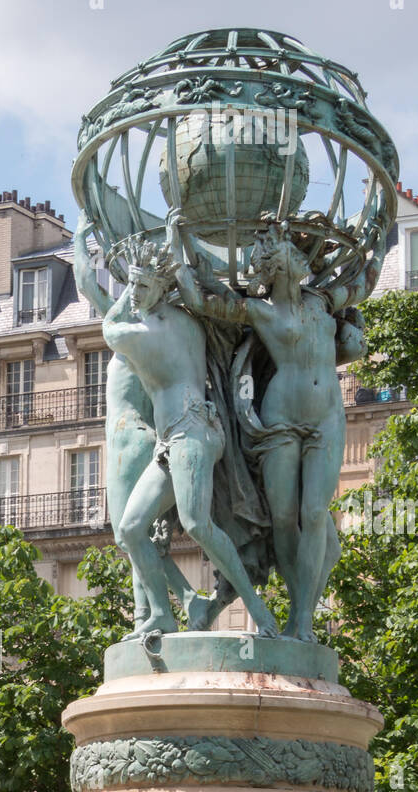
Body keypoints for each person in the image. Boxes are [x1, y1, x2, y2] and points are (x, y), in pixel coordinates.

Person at [169, 211, 382, 642]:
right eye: (282, 252)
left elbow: (363, 284)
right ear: (275, 265)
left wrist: (378, 230)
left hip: (326, 417)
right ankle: (293, 612)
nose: (294, 260)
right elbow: (199, 301)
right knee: (284, 518)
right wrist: (177, 246)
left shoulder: (321, 302)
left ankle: (301, 618)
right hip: (279, 420)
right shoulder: (259, 311)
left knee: (315, 514)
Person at [95, 228, 278, 639]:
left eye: (144, 286)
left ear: (162, 286)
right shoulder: (186, 321)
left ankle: (259, 613)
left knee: (196, 525)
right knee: (129, 529)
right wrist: (144, 278)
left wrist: (126, 293)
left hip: (191, 431)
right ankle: (161, 614)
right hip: (174, 439)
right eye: (132, 286)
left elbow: (110, 328)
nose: (136, 293)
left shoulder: (145, 334)